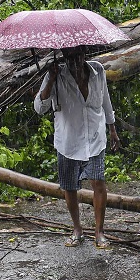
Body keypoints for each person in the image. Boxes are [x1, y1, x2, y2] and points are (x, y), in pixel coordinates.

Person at [34, 45, 120, 249]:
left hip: (95, 138)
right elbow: (39, 108)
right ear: (64, 57)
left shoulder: (98, 70)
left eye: (78, 55)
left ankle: (99, 233)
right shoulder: (56, 75)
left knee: (98, 183)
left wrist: (112, 129)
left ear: (85, 54)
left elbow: (106, 101)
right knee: (70, 187)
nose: (74, 60)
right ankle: (77, 230)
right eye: (69, 56)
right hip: (68, 140)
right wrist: (51, 80)